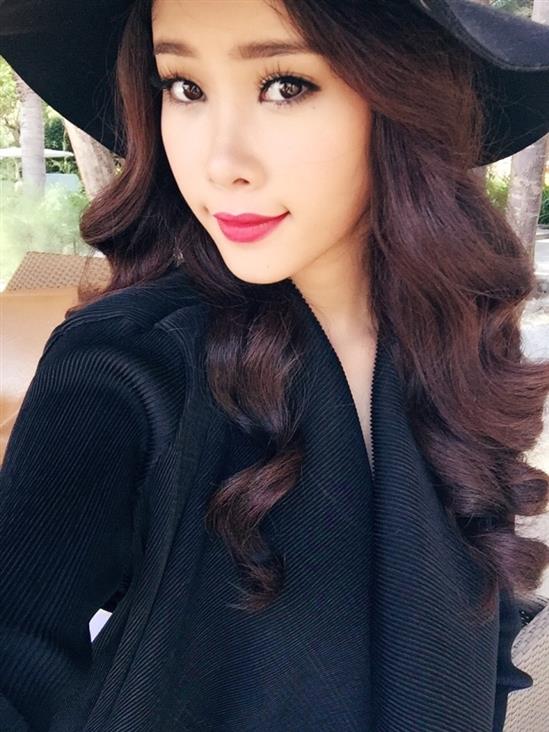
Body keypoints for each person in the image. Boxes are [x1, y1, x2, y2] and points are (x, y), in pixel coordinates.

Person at [1, 0, 548, 730]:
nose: (221, 163)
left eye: (284, 86)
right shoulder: (132, 364)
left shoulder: (454, 347)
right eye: (184, 87)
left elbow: (482, 636)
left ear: (403, 97)